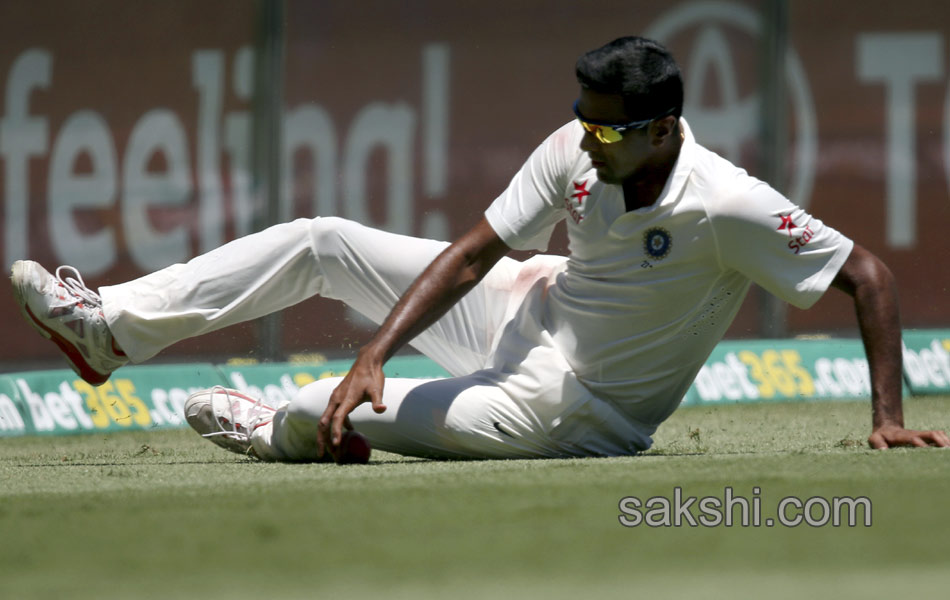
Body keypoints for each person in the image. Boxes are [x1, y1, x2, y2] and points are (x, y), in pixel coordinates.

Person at [11, 36, 949, 461]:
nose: (589, 139)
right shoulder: (578, 146)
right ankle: (115, 331)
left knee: (315, 406)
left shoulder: (727, 202)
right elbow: (469, 254)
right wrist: (376, 348)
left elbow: (867, 275)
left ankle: (281, 432)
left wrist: (885, 415)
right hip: (522, 305)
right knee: (321, 239)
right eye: (586, 121)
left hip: (571, 410)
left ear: (666, 129)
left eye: (612, 129)